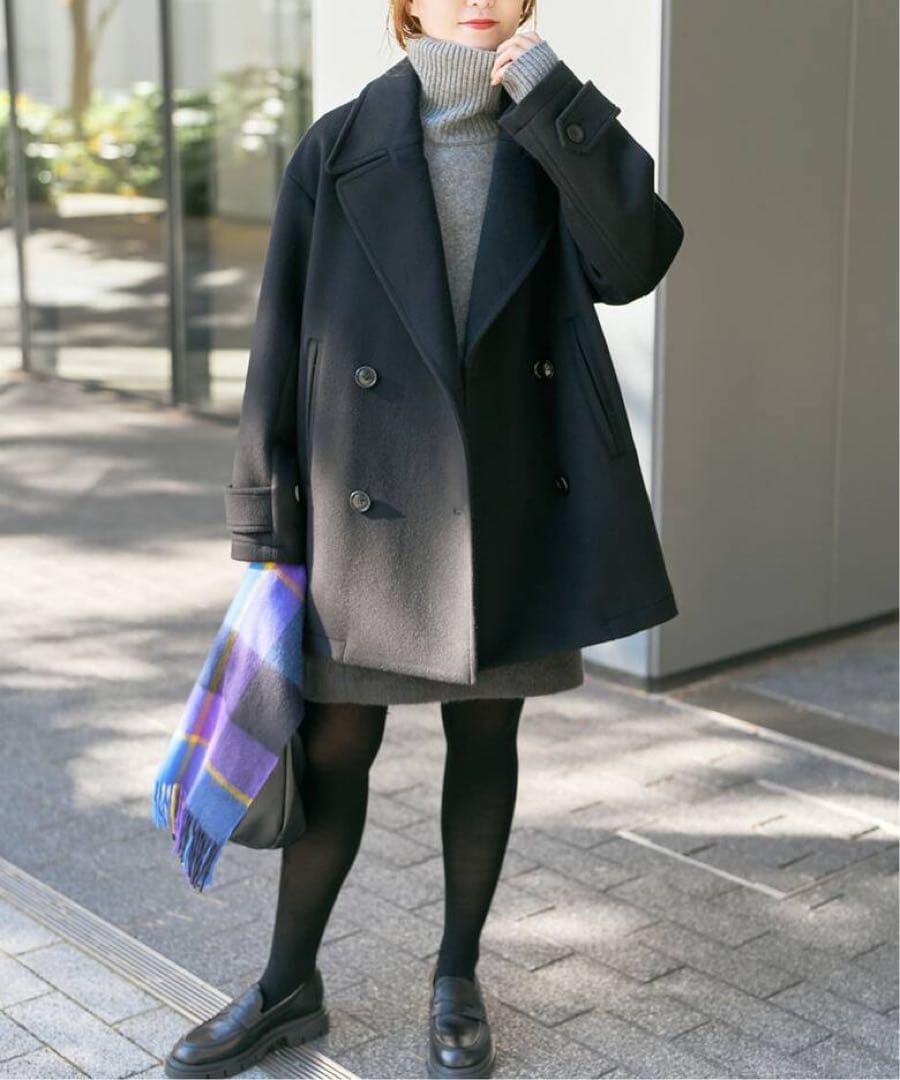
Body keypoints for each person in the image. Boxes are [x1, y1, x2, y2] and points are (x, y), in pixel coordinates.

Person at [164, 1, 684, 1077]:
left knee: (486, 741)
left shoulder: (549, 130)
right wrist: (264, 518)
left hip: (511, 504)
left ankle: (456, 977)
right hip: (369, 512)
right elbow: (278, 336)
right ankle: (285, 985)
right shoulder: (338, 146)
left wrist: (554, 99)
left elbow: (633, 258)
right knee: (333, 748)